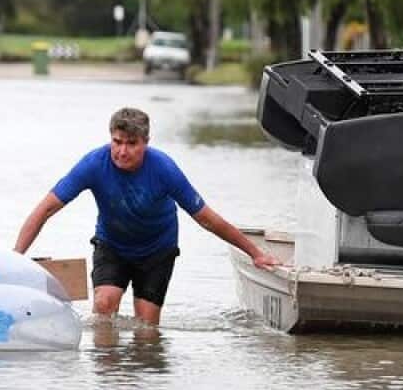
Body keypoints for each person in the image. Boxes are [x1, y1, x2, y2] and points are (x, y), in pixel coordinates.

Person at [14, 107, 278, 327]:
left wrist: (255, 253)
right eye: (117, 142)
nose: (122, 151)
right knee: (104, 305)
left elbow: (207, 219)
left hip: (157, 250)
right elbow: (46, 208)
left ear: (145, 143)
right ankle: (108, 377)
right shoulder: (94, 164)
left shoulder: (164, 169)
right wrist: (16, 256)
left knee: (147, 329)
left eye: (131, 144)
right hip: (112, 244)